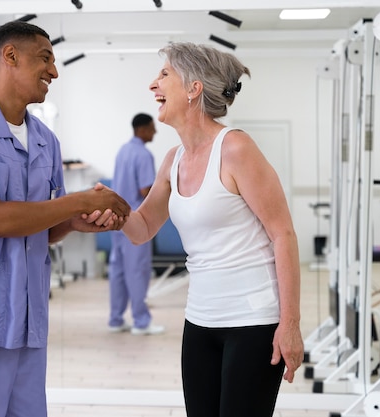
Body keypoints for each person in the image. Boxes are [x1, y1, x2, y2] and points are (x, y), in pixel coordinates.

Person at [0, 21, 131, 417]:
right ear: (10, 57)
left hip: (28, 319)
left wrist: (73, 221)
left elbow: (40, 229)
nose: (54, 71)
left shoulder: (45, 140)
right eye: (45, 58)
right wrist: (75, 202)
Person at [120, 42, 304, 417]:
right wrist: (108, 209)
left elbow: (283, 234)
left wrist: (291, 324)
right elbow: (141, 229)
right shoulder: (172, 160)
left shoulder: (235, 148)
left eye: (164, 74)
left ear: (194, 88)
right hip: (200, 321)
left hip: (253, 323)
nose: (153, 85)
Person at [108, 113, 165, 335]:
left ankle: (115, 320)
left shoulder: (123, 151)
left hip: (115, 221)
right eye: (152, 128)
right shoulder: (143, 154)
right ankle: (141, 322)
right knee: (137, 271)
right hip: (135, 220)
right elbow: (145, 190)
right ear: (141, 129)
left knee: (118, 271)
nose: (155, 132)